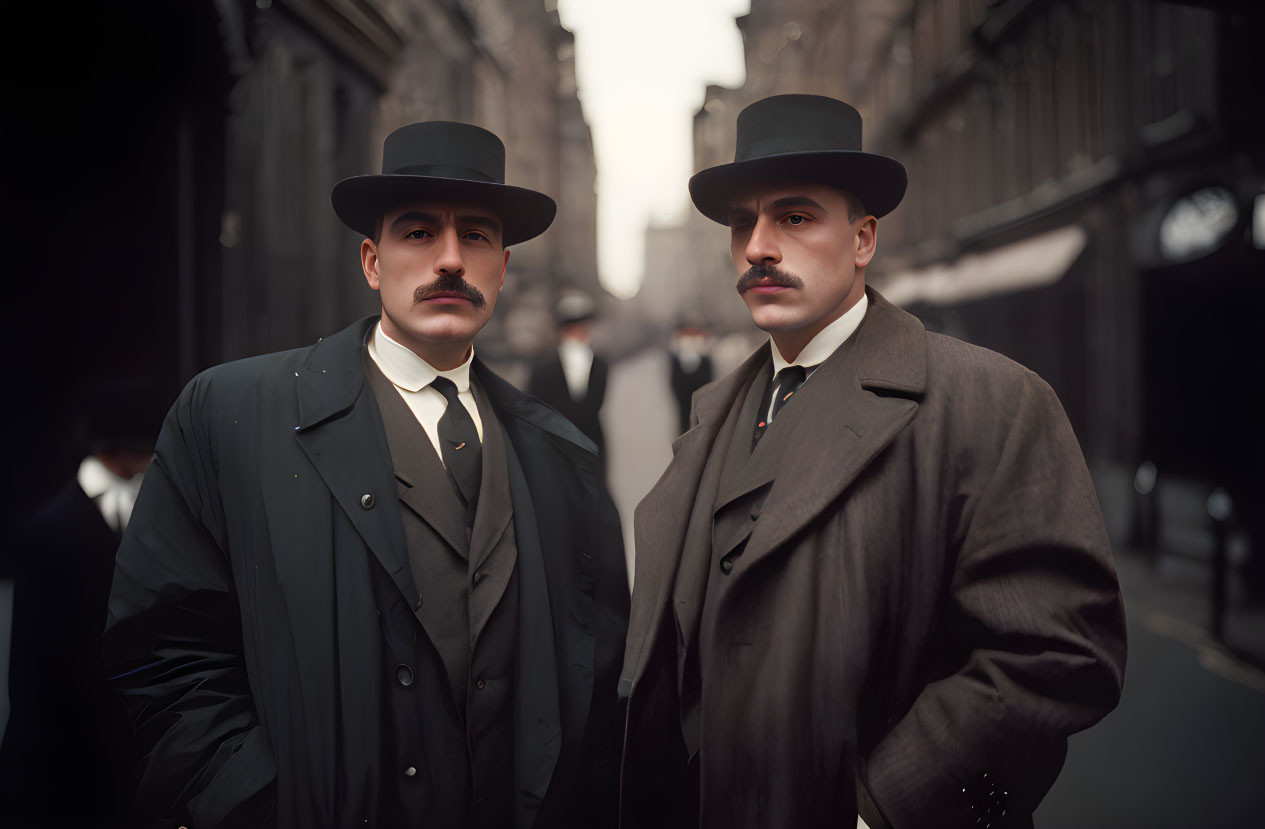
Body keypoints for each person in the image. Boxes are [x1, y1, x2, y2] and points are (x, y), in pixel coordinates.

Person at [617, 94, 1126, 829]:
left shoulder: (993, 400)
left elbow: (1059, 652)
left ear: (861, 239)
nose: (758, 245)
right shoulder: (713, 411)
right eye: (741, 222)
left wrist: (882, 809)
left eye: (793, 217)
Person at [103, 121, 629, 829]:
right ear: (372, 262)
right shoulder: (228, 414)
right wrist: (254, 801)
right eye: (417, 234)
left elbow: (595, 679)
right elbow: (163, 651)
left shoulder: (562, 456)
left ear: (502, 268)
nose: (449, 259)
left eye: (474, 236)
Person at [1, 383, 160, 828]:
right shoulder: (48, 532)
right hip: (66, 761)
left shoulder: (157, 514)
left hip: (136, 756)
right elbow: (32, 675)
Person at [527, 292, 609, 467]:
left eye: (583, 329)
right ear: (562, 332)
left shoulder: (599, 366)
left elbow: (595, 404)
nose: (579, 335)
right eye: (572, 330)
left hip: (592, 448)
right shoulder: (542, 369)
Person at [666, 313, 714, 437]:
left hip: (703, 404)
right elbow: (674, 381)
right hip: (683, 403)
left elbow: (710, 380)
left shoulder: (704, 355)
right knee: (684, 428)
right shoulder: (676, 356)